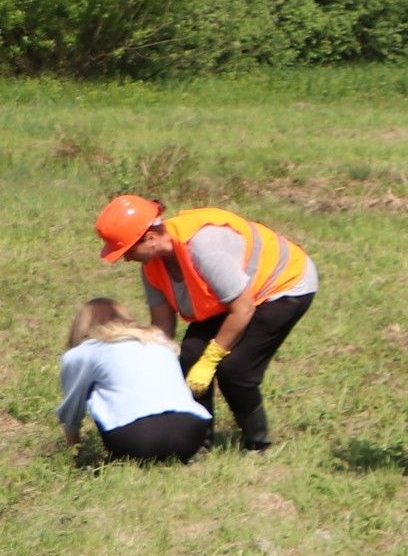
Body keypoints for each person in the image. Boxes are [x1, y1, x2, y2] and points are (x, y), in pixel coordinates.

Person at [94, 195, 317, 454]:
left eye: (128, 250)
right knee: (189, 357)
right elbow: (162, 327)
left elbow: (243, 309)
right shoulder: (152, 267)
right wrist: (149, 363)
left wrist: (211, 358)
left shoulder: (205, 247)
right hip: (233, 297)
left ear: (151, 238)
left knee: (236, 370)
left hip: (283, 287)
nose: (127, 259)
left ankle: (258, 445)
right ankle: (200, 442)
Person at [58, 299, 212, 463]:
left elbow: (72, 409)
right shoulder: (158, 340)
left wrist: (75, 449)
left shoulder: (83, 352)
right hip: (193, 432)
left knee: (91, 385)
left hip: (138, 438)